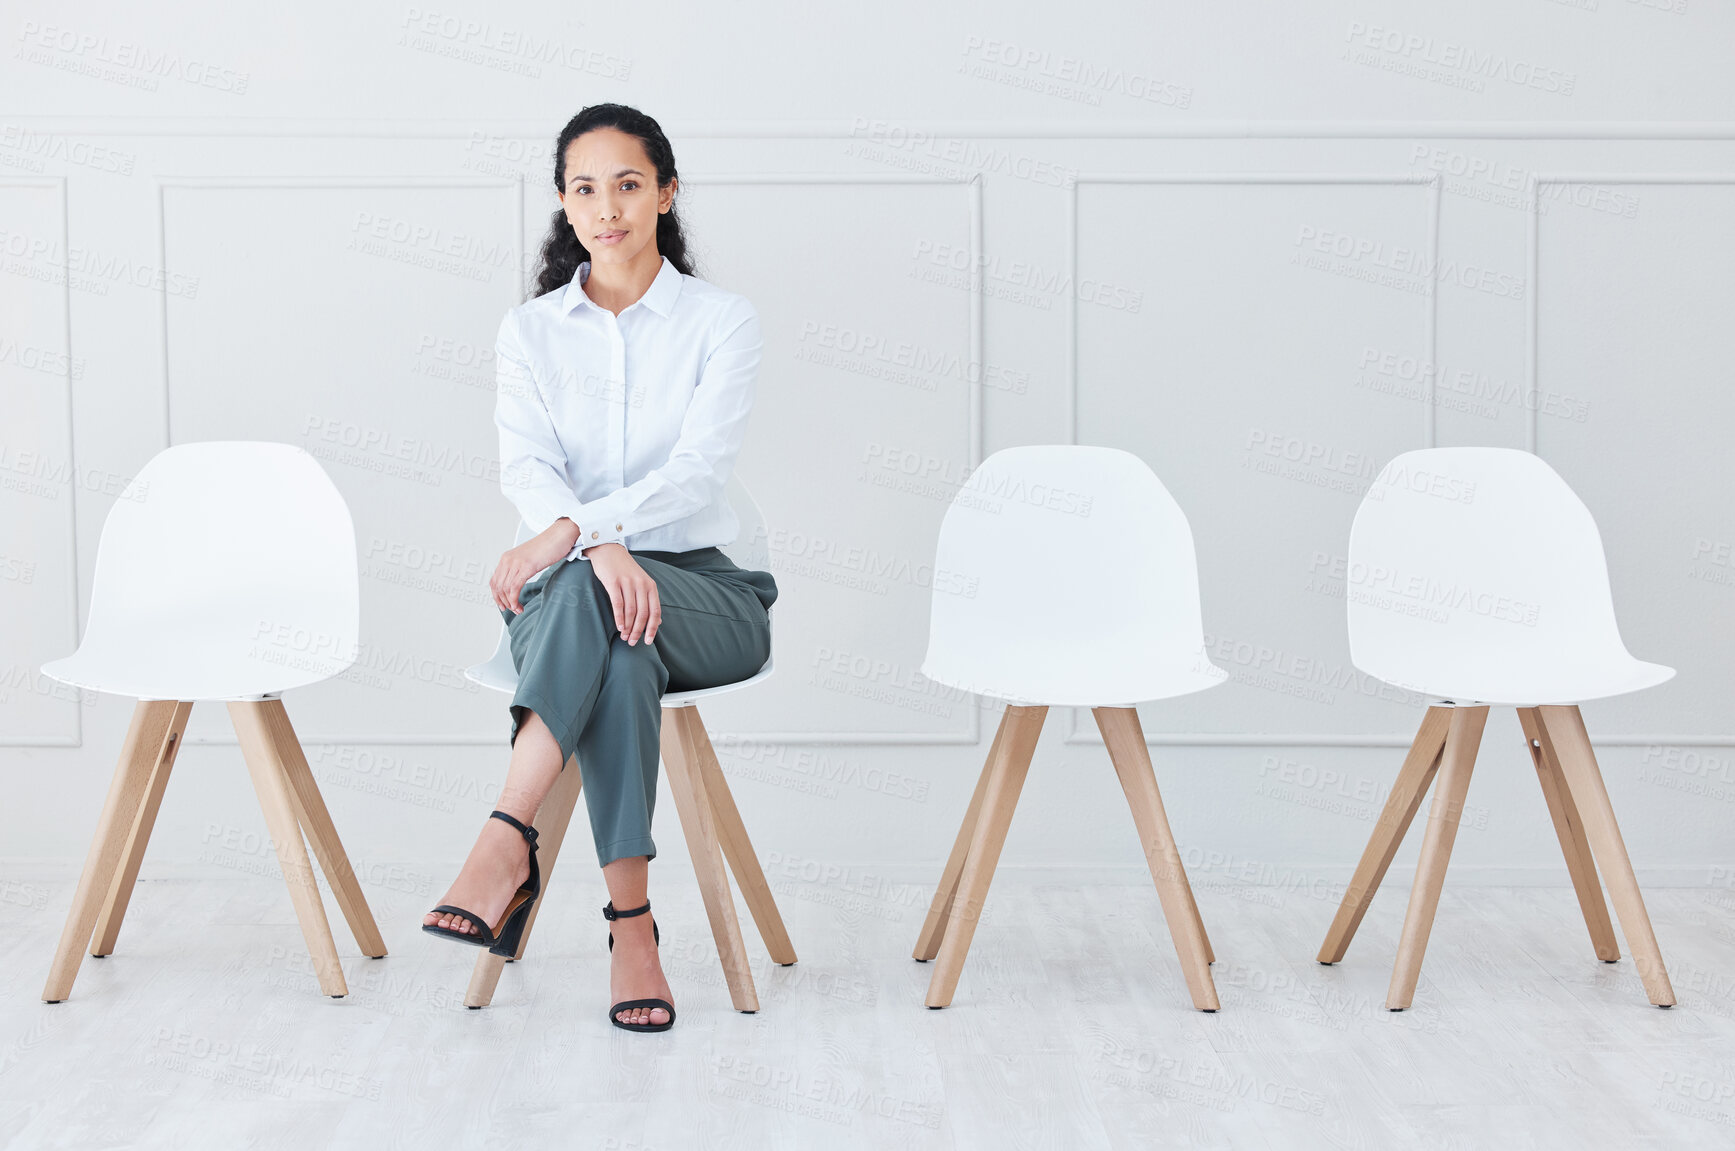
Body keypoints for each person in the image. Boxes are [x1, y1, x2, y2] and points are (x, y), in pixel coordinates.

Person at [421, 103, 777, 1034]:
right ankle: (633, 930)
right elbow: (524, 466)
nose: (607, 206)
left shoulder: (721, 323)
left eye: (628, 184)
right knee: (615, 642)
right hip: (574, 604)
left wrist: (583, 531)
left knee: (592, 588)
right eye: (585, 188)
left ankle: (506, 837)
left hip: (707, 593)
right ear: (563, 206)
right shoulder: (529, 331)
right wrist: (598, 546)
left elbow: (698, 469)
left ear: (664, 191)